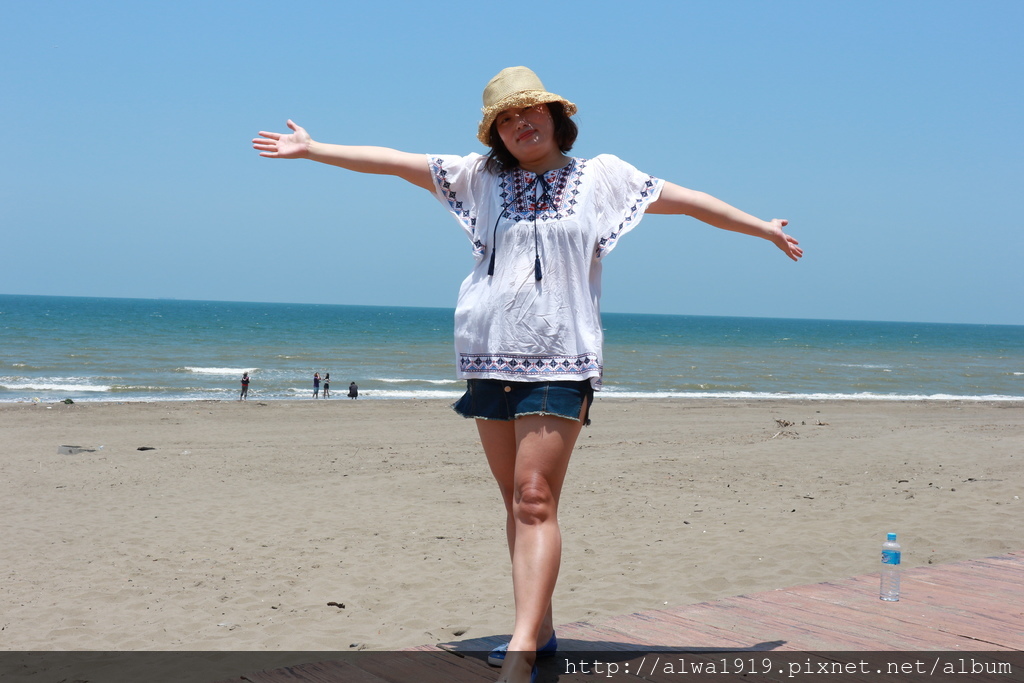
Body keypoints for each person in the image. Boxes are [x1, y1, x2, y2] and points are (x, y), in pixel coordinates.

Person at [253, 66, 801, 683]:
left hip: (562, 359)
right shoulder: (479, 178)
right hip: (488, 355)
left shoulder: (603, 177)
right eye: (506, 118)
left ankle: (520, 647)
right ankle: (537, 631)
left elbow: (688, 202)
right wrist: (314, 149)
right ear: (496, 133)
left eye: (530, 110)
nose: (520, 123)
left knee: (535, 496)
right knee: (517, 503)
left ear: (554, 116)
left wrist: (761, 227)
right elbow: (396, 163)